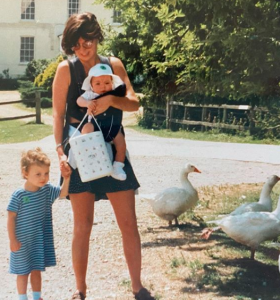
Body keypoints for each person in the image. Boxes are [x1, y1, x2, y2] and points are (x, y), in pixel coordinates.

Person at [52, 12, 156, 300]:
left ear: (97, 36)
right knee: (82, 225)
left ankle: (137, 287)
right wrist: (60, 151)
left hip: (113, 150)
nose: (83, 49)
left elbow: (133, 103)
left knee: (128, 224)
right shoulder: (66, 70)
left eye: (87, 42)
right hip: (81, 151)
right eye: (76, 45)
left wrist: (110, 99)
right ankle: (80, 289)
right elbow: (59, 114)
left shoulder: (113, 65)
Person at [7, 147, 71, 300]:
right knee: (22, 272)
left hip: (38, 240)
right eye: (38, 174)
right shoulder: (19, 195)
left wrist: (66, 178)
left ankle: (37, 297)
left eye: (46, 173)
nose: (43, 178)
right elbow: (10, 218)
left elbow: (63, 193)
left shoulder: (46, 190)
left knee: (36, 270)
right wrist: (12, 240)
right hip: (22, 242)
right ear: (25, 173)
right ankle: (22, 298)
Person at [76, 63, 127, 181]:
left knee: (121, 144)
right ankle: (86, 154)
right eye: (97, 83)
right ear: (91, 86)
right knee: (87, 128)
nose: (102, 86)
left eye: (107, 83)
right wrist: (87, 103)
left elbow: (125, 99)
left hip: (112, 128)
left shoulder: (115, 94)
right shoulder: (90, 94)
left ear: (112, 83)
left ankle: (118, 166)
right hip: (95, 127)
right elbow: (79, 100)